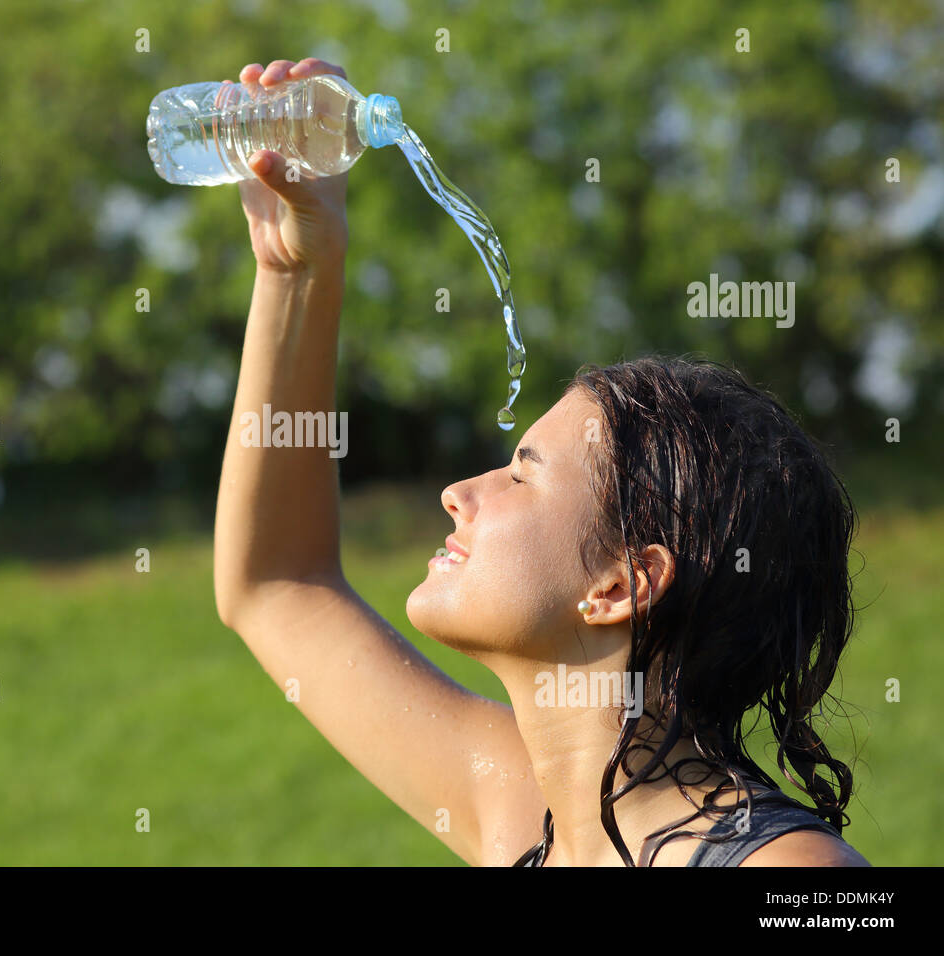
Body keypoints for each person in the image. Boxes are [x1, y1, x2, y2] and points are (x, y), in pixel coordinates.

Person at [213, 57, 870, 867]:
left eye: (521, 475)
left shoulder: (790, 869)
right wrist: (294, 271)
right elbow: (277, 584)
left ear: (621, 584)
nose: (458, 493)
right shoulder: (522, 809)